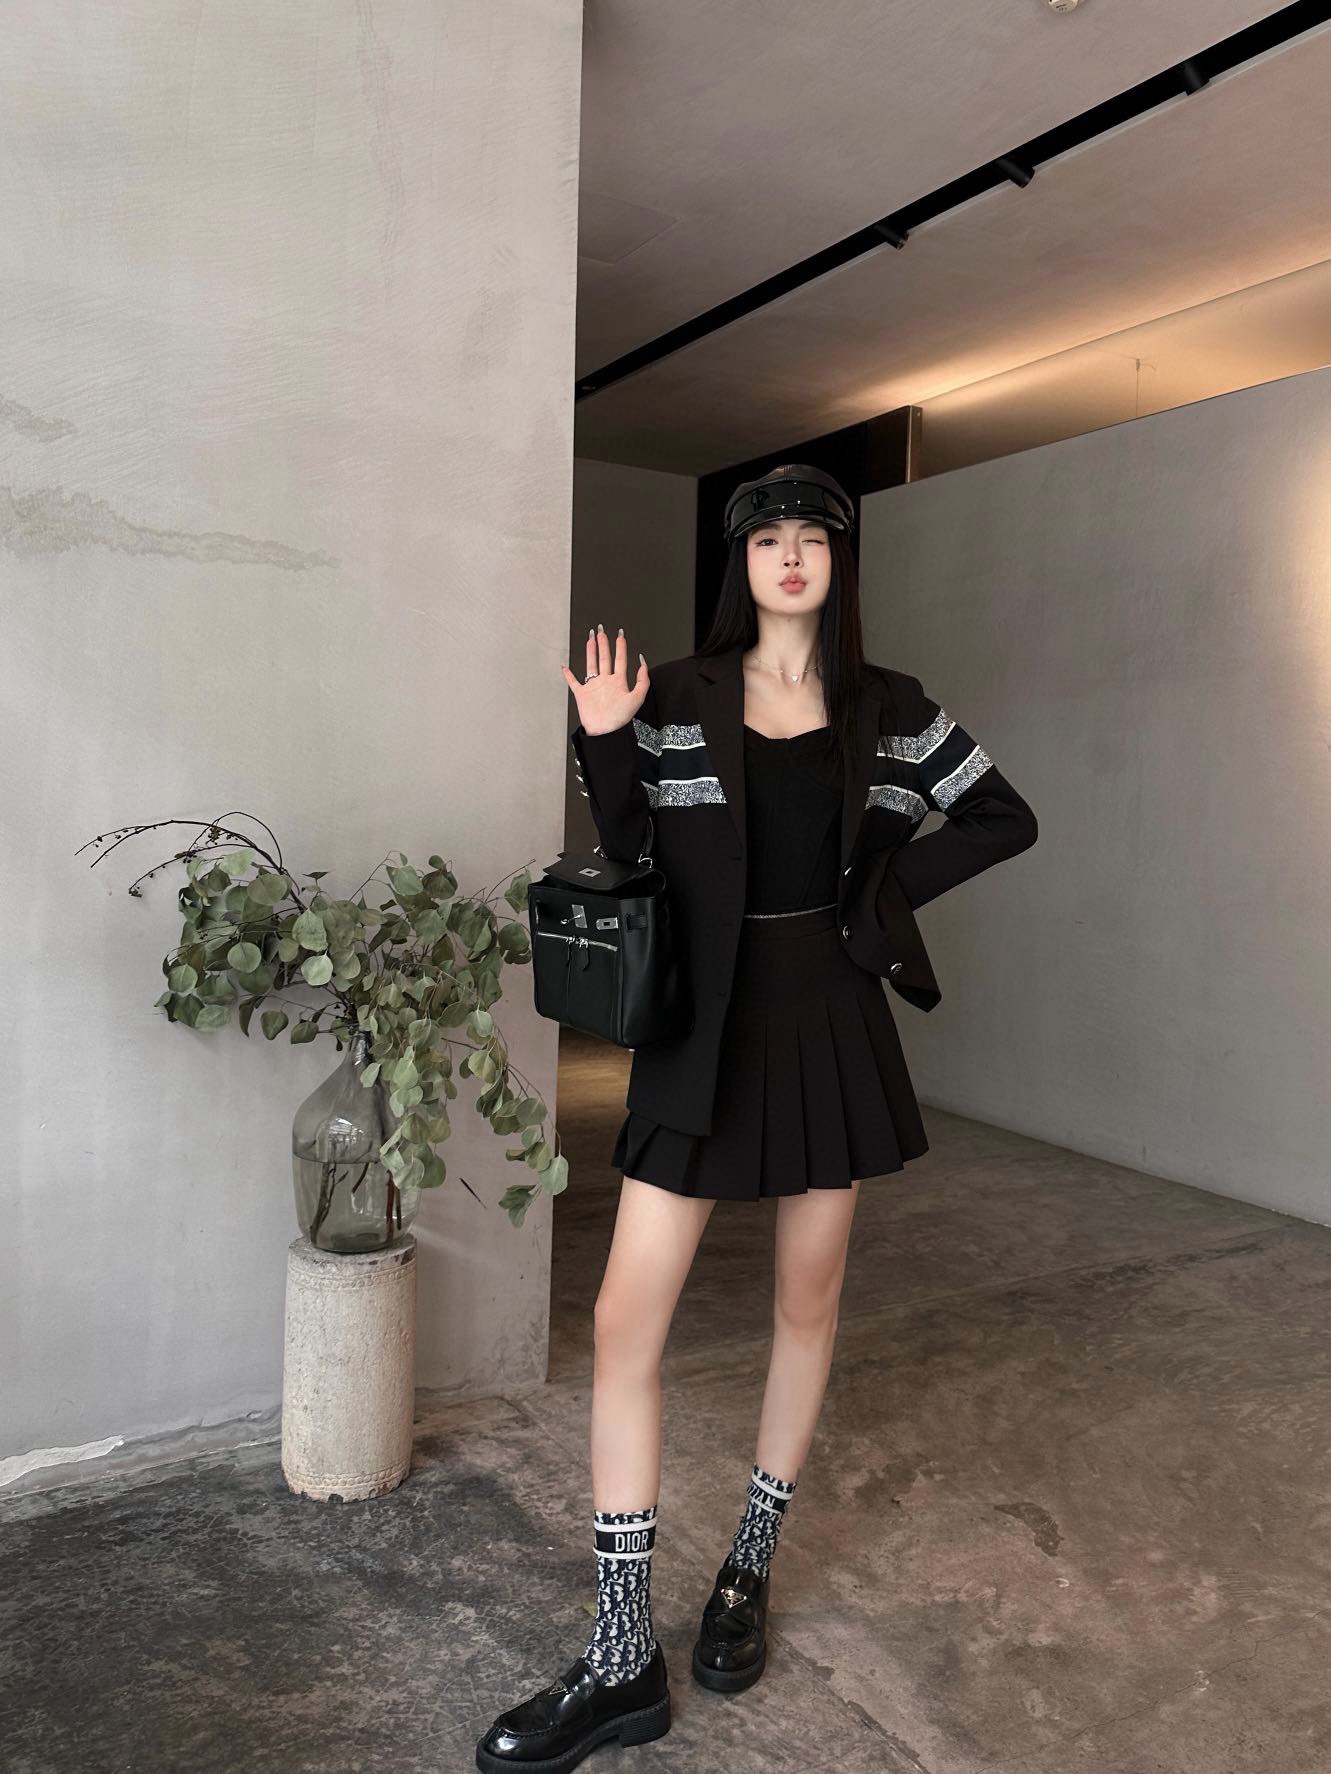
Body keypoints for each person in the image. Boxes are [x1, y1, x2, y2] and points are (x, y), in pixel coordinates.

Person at [475, 465, 1038, 1772]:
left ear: (838, 559)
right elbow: (630, 846)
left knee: (807, 1302)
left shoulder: (890, 707)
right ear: (739, 562)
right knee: (624, 1321)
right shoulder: (678, 692)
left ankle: (749, 1564)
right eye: (767, 538)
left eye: (811, 538)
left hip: (830, 1020)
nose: (790, 556)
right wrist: (605, 737)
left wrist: (879, 900)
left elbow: (1003, 815)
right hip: (702, 1033)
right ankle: (622, 1651)